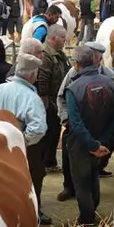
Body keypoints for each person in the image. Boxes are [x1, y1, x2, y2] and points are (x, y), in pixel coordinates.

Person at [0, 53, 51, 225]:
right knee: (31, 180)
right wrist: (21, 140)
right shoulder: (31, 98)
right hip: (26, 148)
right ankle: (32, 214)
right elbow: (38, 128)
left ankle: (2, 215)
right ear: (32, 75)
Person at [55, 41, 114, 200]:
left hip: (101, 129)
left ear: (99, 59)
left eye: (94, 57)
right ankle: (69, 187)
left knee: (93, 164)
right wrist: (66, 119)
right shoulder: (72, 74)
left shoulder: (111, 77)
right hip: (77, 127)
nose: (90, 60)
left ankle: (90, 190)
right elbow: (61, 97)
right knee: (68, 156)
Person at [38, 25, 71, 173]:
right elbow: (43, 79)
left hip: (56, 99)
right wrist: (46, 103)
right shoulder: (45, 55)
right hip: (49, 101)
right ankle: (46, 162)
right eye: (63, 38)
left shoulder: (58, 54)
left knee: (54, 131)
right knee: (49, 132)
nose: (65, 41)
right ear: (54, 38)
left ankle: (50, 161)